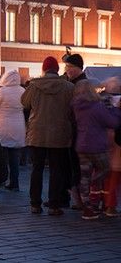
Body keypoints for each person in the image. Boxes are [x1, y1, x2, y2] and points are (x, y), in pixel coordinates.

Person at [21, 56, 74, 215]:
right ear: (57, 70)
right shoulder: (68, 87)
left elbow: (24, 103)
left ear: (44, 69)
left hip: (37, 132)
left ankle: (35, 204)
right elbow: (72, 109)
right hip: (60, 132)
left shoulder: (34, 85)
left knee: (36, 169)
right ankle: (54, 205)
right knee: (56, 169)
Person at [71, 80, 120, 220]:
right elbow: (113, 123)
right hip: (97, 146)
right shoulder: (96, 107)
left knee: (84, 176)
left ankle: (88, 208)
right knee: (105, 169)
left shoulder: (76, 106)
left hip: (82, 146)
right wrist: (116, 110)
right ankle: (99, 195)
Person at [0, 70, 26, 191]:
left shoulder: (1, 91)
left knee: (2, 157)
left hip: (3, 126)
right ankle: (15, 183)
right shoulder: (23, 91)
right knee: (15, 158)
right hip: (18, 126)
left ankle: (1, 181)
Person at [63, 53, 87, 210]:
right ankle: (74, 197)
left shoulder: (81, 85)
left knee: (77, 166)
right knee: (72, 165)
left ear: (78, 68)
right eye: (66, 67)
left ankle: (79, 200)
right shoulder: (71, 82)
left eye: (70, 67)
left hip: (79, 132)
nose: (67, 70)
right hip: (73, 130)